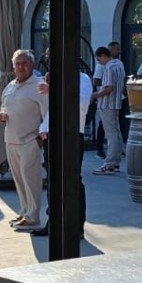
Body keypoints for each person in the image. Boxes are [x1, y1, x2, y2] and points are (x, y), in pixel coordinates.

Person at [35, 63, 94, 238]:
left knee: (73, 180)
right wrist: (43, 128)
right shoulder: (54, 80)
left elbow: (80, 104)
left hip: (71, 134)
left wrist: (54, 89)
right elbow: (51, 109)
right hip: (52, 135)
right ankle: (53, 222)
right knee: (53, 180)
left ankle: (77, 227)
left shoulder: (82, 79)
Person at [0, 50, 46, 233]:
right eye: (17, 64)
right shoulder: (10, 86)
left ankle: (33, 217)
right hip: (11, 140)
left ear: (31, 65)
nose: (21, 67)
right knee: (19, 180)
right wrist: (1, 115)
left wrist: (39, 139)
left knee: (31, 180)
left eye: (24, 63)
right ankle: (25, 211)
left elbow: (47, 114)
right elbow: (4, 107)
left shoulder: (39, 86)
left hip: (29, 141)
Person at [91, 46, 125, 175]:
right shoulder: (119, 65)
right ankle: (115, 162)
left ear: (104, 56)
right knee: (116, 132)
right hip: (116, 103)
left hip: (107, 104)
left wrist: (95, 95)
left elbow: (108, 88)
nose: (99, 63)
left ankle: (109, 163)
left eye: (99, 59)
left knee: (111, 134)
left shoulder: (109, 68)